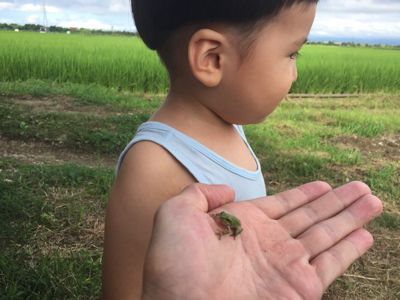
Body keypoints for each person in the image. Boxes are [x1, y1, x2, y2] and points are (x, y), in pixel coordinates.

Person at [100, 0, 354, 298]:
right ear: (213, 58)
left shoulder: (230, 123)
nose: (295, 73)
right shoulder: (152, 168)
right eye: (292, 53)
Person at [141, 182, 382, 300]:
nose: (219, 220)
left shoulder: (229, 225)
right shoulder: (222, 219)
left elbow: (233, 228)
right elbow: (221, 218)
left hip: (239, 227)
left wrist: (225, 232)